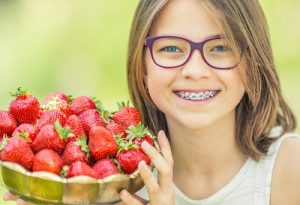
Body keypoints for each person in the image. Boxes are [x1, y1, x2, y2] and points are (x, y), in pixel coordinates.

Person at [4, 0, 300, 204]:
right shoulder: (112, 179)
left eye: (221, 47)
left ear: (254, 62)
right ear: (142, 67)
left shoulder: (290, 171)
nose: (194, 71)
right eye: (171, 47)